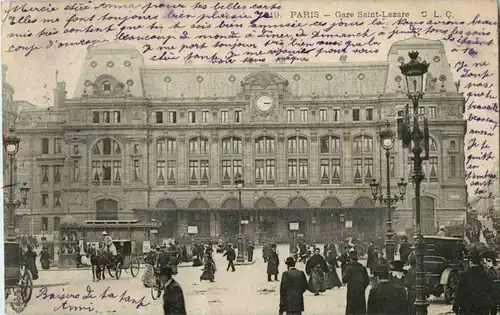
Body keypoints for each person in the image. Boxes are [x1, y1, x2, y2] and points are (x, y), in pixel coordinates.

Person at [453, 250, 493, 315]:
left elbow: (459, 292)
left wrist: (456, 307)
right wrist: (492, 309)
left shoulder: (464, 275)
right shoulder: (486, 275)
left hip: (467, 308)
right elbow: (490, 292)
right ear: (480, 262)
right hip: (482, 309)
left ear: (470, 262)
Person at [342, 250, 369, 315]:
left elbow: (344, 280)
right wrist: (363, 287)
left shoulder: (348, 268)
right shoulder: (362, 268)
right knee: (360, 307)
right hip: (360, 290)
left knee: (351, 308)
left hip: (351, 290)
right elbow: (367, 280)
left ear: (351, 259)